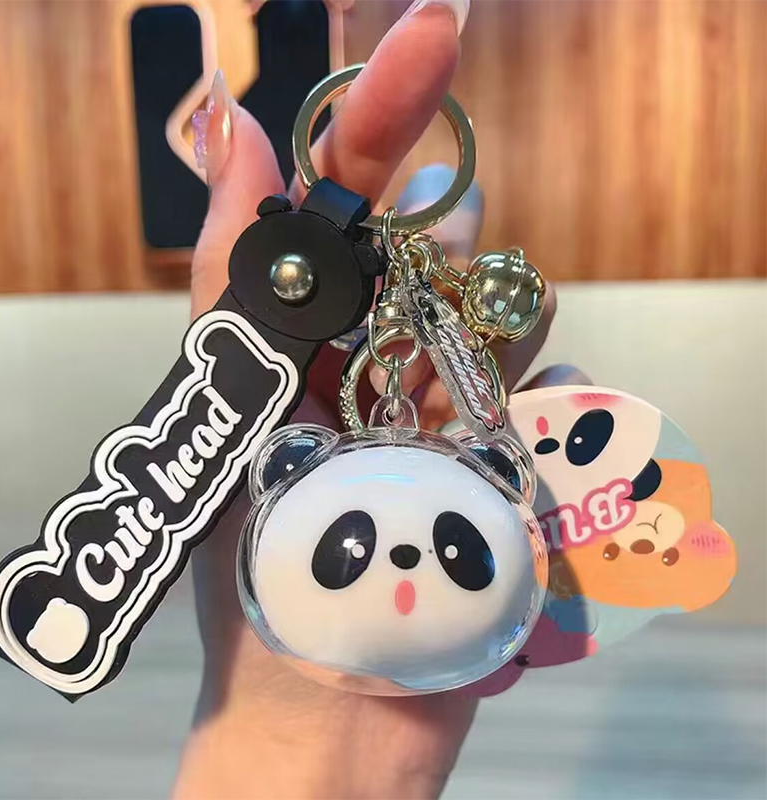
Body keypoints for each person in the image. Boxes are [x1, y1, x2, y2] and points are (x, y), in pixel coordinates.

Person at [175, 2, 582, 796]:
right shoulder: (286, 487)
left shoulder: (466, 484)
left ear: (501, 472)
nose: (399, 564)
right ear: (283, 464)